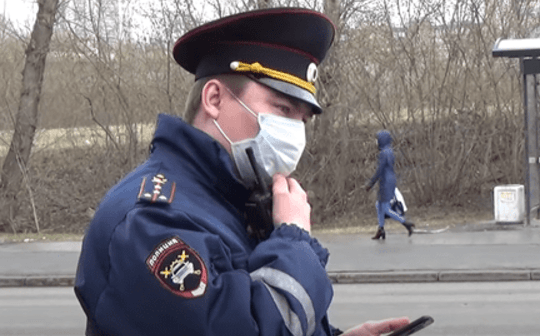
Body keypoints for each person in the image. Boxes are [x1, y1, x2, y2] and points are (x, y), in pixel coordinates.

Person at [74, 7, 411, 336]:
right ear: (215, 99)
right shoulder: (151, 220)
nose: (295, 132)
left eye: (302, 119)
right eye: (282, 109)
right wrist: (294, 238)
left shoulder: (232, 199)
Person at [365, 130, 415, 239]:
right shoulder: (389, 151)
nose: (376, 142)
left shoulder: (383, 153)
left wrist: (371, 183)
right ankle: (381, 229)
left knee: (386, 208)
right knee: (379, 205)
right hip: (389, 180)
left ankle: (406, 223)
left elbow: (380, 170)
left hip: (385, 182)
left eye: (377, 139)